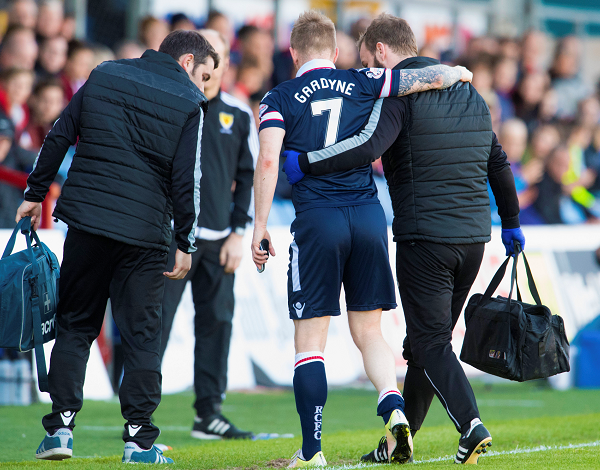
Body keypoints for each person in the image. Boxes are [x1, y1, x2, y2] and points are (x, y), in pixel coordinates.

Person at [282, 13, 524, 465]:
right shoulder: (468, 92)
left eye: (365, 57)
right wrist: (511, 221)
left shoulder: (398, 93)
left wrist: (306, 163)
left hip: (425, 237)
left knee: (429, 343)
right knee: (423, 346)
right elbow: (498, 161)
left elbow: (369, 147)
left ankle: (471, 425)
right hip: (474, 238)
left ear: (380, 51)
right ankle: (397, 445)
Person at [251, 10, 472, 468]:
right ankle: (393, 405)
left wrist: (259, 227)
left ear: (292, 52)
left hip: (317, 221)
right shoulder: (364, 79)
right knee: (369, 331)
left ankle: (312, 451)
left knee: (311, 342)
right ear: (335, 52)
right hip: (370, 219)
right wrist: (456, 72)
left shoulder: (277, 97)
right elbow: (422, 79)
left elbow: (268, 162)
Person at [15, 29, 218, 464]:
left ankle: (60, 431)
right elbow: (188, 182)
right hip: (144, 237)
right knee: (143, 337)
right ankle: (139, 441)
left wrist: (35, 193)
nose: (203, 87)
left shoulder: (104, 74)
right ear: (186, 63)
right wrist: (186, 240)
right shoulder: (189, 103)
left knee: (74, 325)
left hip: (87, 223)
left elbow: (59, 134)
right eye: (203, 76)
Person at [159, 28, 257, 441]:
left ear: (224, 64)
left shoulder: (238, 115)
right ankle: (137, 412)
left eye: (218, 56)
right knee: (153, 323)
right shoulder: (166, 106)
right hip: (169, 238)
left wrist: (240, 232)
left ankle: (209, 414)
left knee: (217, 323)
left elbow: (250, 176)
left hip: (219, 241)